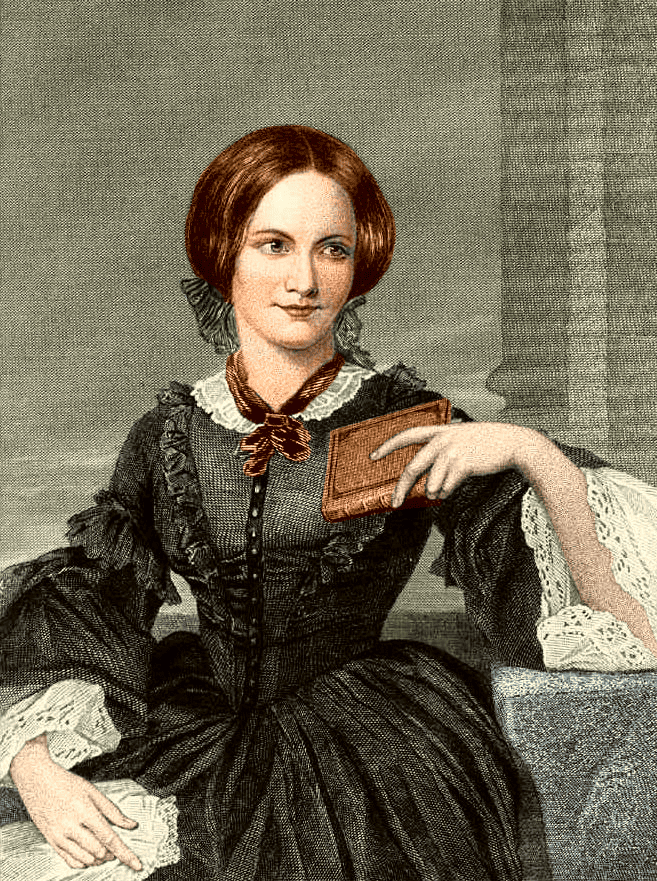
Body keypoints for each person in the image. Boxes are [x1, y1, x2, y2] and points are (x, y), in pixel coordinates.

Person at [1, 125, 656, 880]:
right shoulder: (167, 435)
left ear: (359, 265)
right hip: (193, 729)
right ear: (223, 255)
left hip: (373, 749)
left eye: (332, 250)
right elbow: (90, 602)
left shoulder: (407, 421)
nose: (304, 280)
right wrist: (32, 761)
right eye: (274, 245)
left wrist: (531, 452)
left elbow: (623, 623)